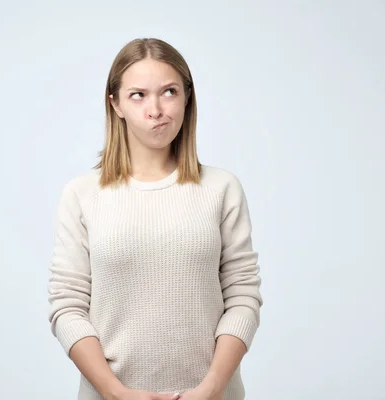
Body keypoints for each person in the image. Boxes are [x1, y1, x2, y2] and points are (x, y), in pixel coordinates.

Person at [47, 37, 263, 400]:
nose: (156, 109)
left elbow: (243, 296)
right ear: (114, 103)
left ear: (186, 97)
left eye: (169, 92)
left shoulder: (221, 188)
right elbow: (67, 306)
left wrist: (210, 390)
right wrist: (115, 392)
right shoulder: (82, 195)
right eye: (138, 95)